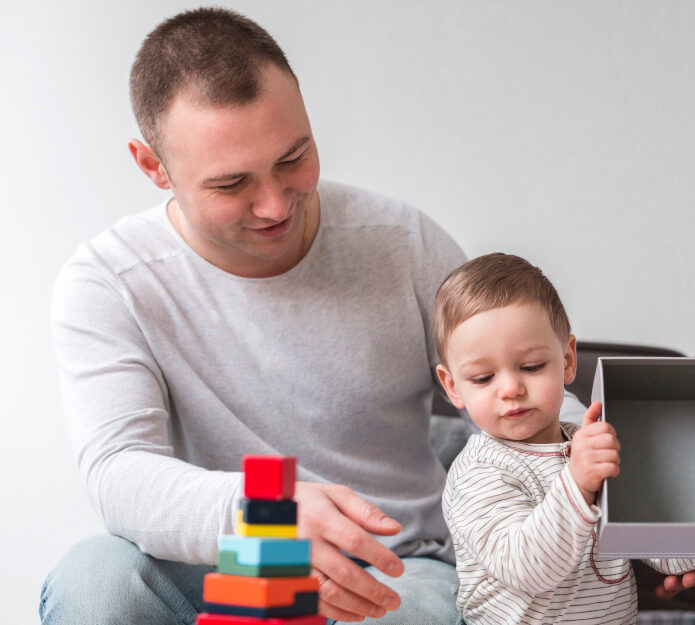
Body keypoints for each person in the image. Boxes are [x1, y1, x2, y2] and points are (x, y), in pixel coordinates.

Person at [41, 8, 469, 624]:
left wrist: (630, 531)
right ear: (153, 166)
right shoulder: (108, 281)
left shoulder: (404, 244)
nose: (275, 204)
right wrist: (268, 511)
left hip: (390, 564)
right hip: (217, 562)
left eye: (293, 157)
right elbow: (116, 473)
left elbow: (526, 394)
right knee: (94, 580)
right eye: (231, 183)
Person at [432, 253, 695, 624]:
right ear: (453, 387)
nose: (511, 388)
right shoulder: (477, 474)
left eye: (531, 367)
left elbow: (668, 557)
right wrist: (578, 484)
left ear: (566, 361)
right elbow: (527, 568)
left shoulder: (595, 448)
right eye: (483, 378)